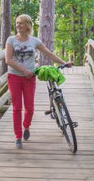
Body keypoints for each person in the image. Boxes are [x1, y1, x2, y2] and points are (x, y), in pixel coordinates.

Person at [5, 14, 72, 149]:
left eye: (21, 23)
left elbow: (49, 53)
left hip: (30, 78)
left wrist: (64, 63)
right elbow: (8, 60)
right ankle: (18, 137)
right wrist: (24, 70)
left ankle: (26, 126)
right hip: (14, 77)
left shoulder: (34, 41)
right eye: (17, 23)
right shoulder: (11, 40)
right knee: (17, 107)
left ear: (28, 25)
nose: (18, 25)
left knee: (29, 108)